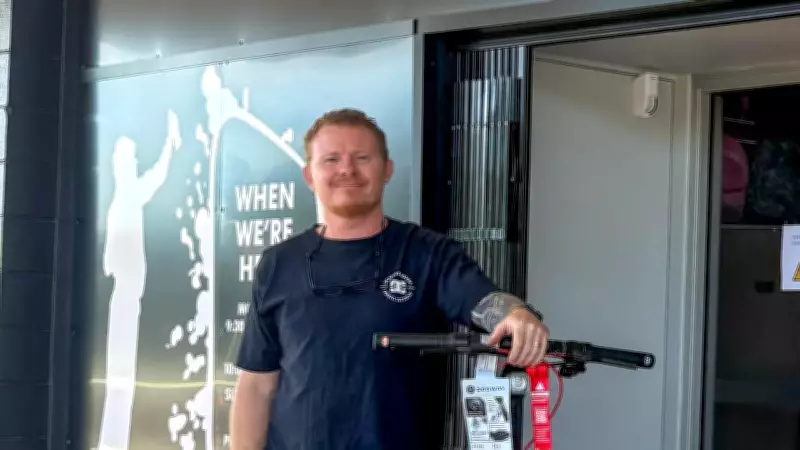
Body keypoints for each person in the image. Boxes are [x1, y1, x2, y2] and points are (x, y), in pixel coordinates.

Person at [229, 108, 548, 450]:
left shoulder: (428, 254)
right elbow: (257, 386)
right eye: (331, 159)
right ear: (309, 176)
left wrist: (516, 314)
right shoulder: (277, 264)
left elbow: (484, 300)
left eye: (362, 158)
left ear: (387, 170)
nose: (347, 169)